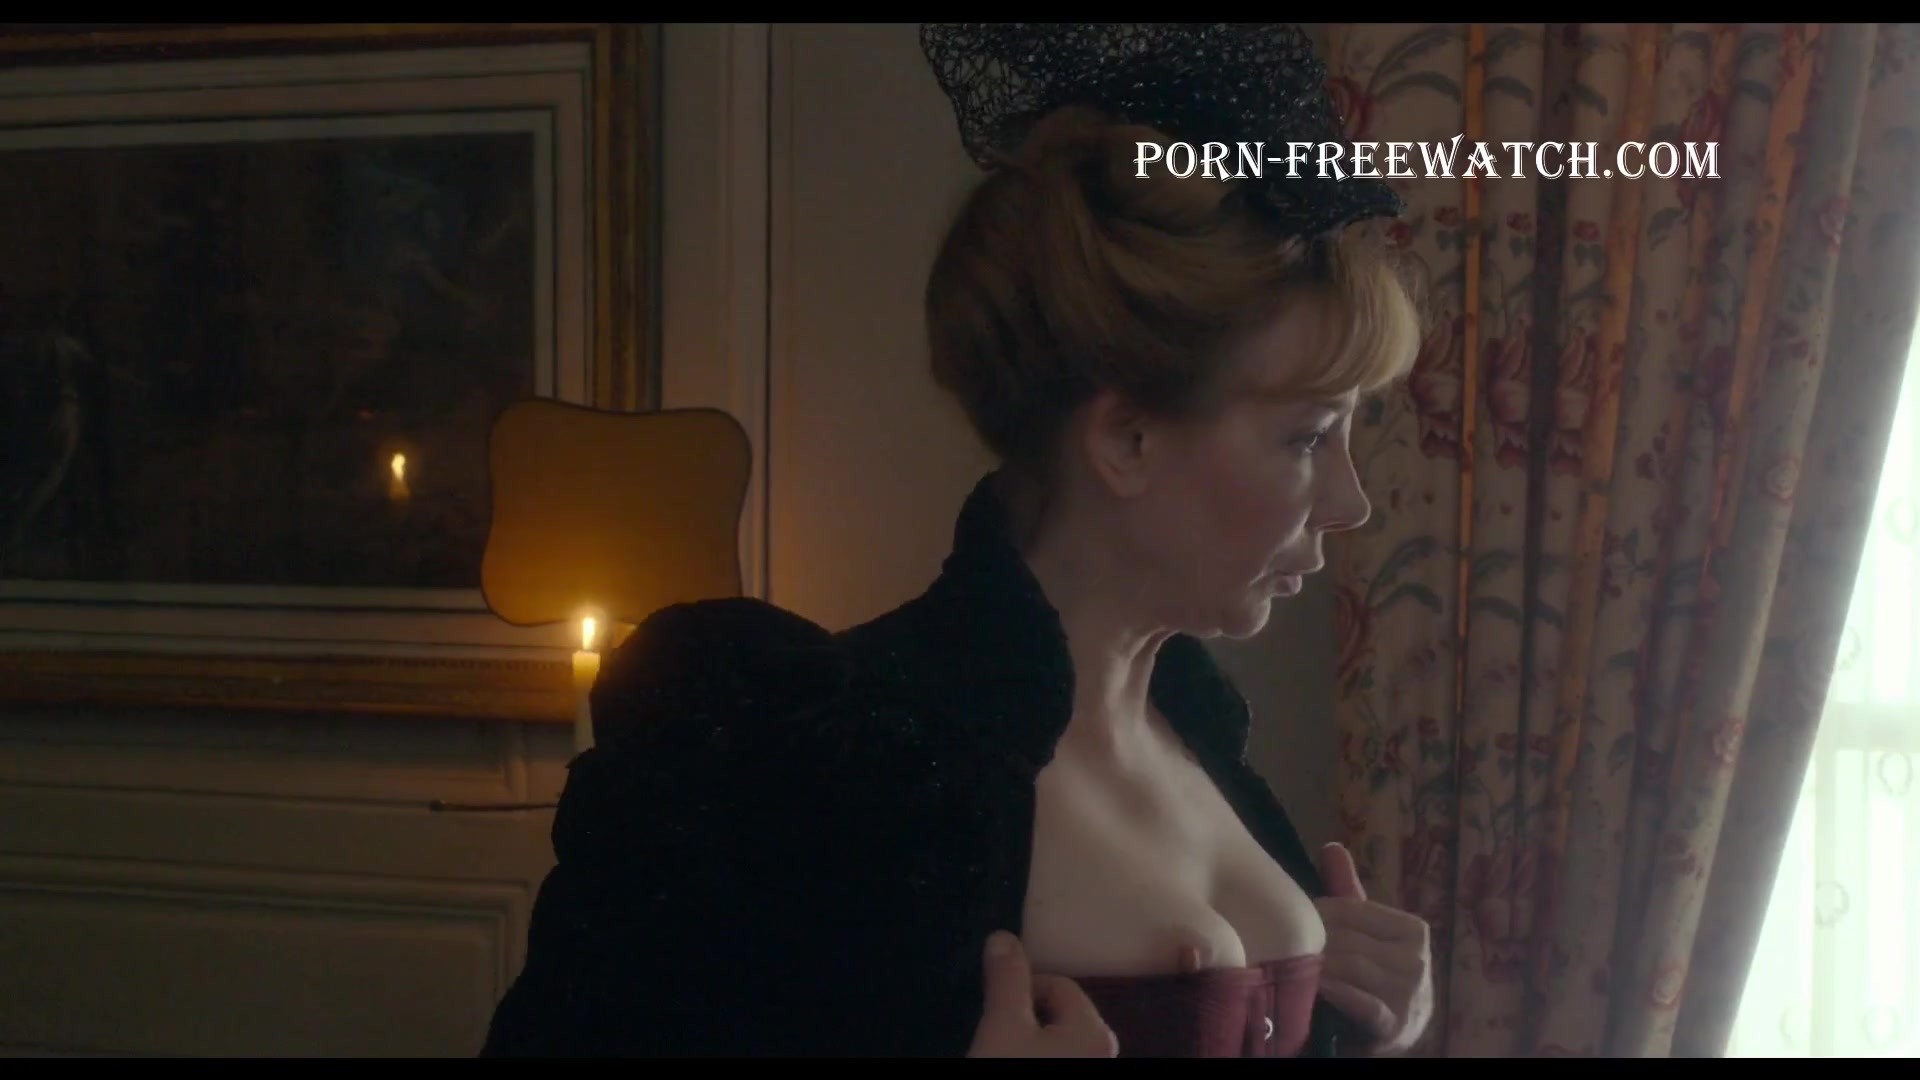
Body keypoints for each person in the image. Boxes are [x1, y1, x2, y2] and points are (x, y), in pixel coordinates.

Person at [480, 23, 1433, 1058]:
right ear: (1125, 438)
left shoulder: (1198, 736)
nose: (1350, 502)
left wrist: (1367, 1017)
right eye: (1307, 437)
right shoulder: (805, 755)